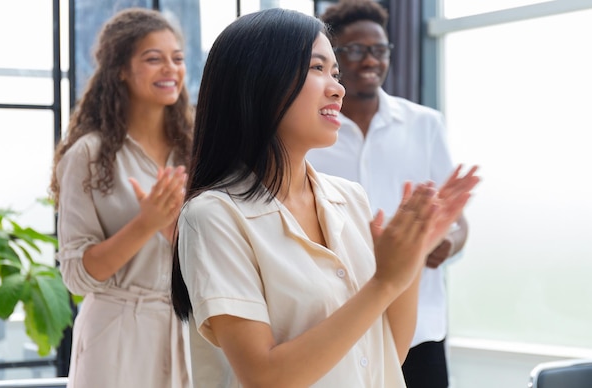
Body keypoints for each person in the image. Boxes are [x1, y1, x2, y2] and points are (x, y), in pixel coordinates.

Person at [170, 7, 479, 388]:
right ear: (259, 82)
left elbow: (385, 355)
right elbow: (264, 376)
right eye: (317, 69)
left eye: (334, 72)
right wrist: (383, 281)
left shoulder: (349, 198)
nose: (338, 87)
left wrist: (409, 260)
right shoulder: (213, 216)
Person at [305, 1, 468, 387]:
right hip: (340, 322)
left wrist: (447, 239)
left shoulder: (424, 124)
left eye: (379, 50)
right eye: (355, 50)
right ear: (335, 60)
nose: (370, 60)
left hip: (421, 325)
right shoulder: (311, 130)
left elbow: (457, 223)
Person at [49, 7, 192, 388]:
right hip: (115, 338)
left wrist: (177, 233)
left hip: (188, 335)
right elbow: (77, 276)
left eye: (176, 59)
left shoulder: (196, 150)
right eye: (153, 59)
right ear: (121, 69)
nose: (170, 69)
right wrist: (146, 224)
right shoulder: (89, 155)